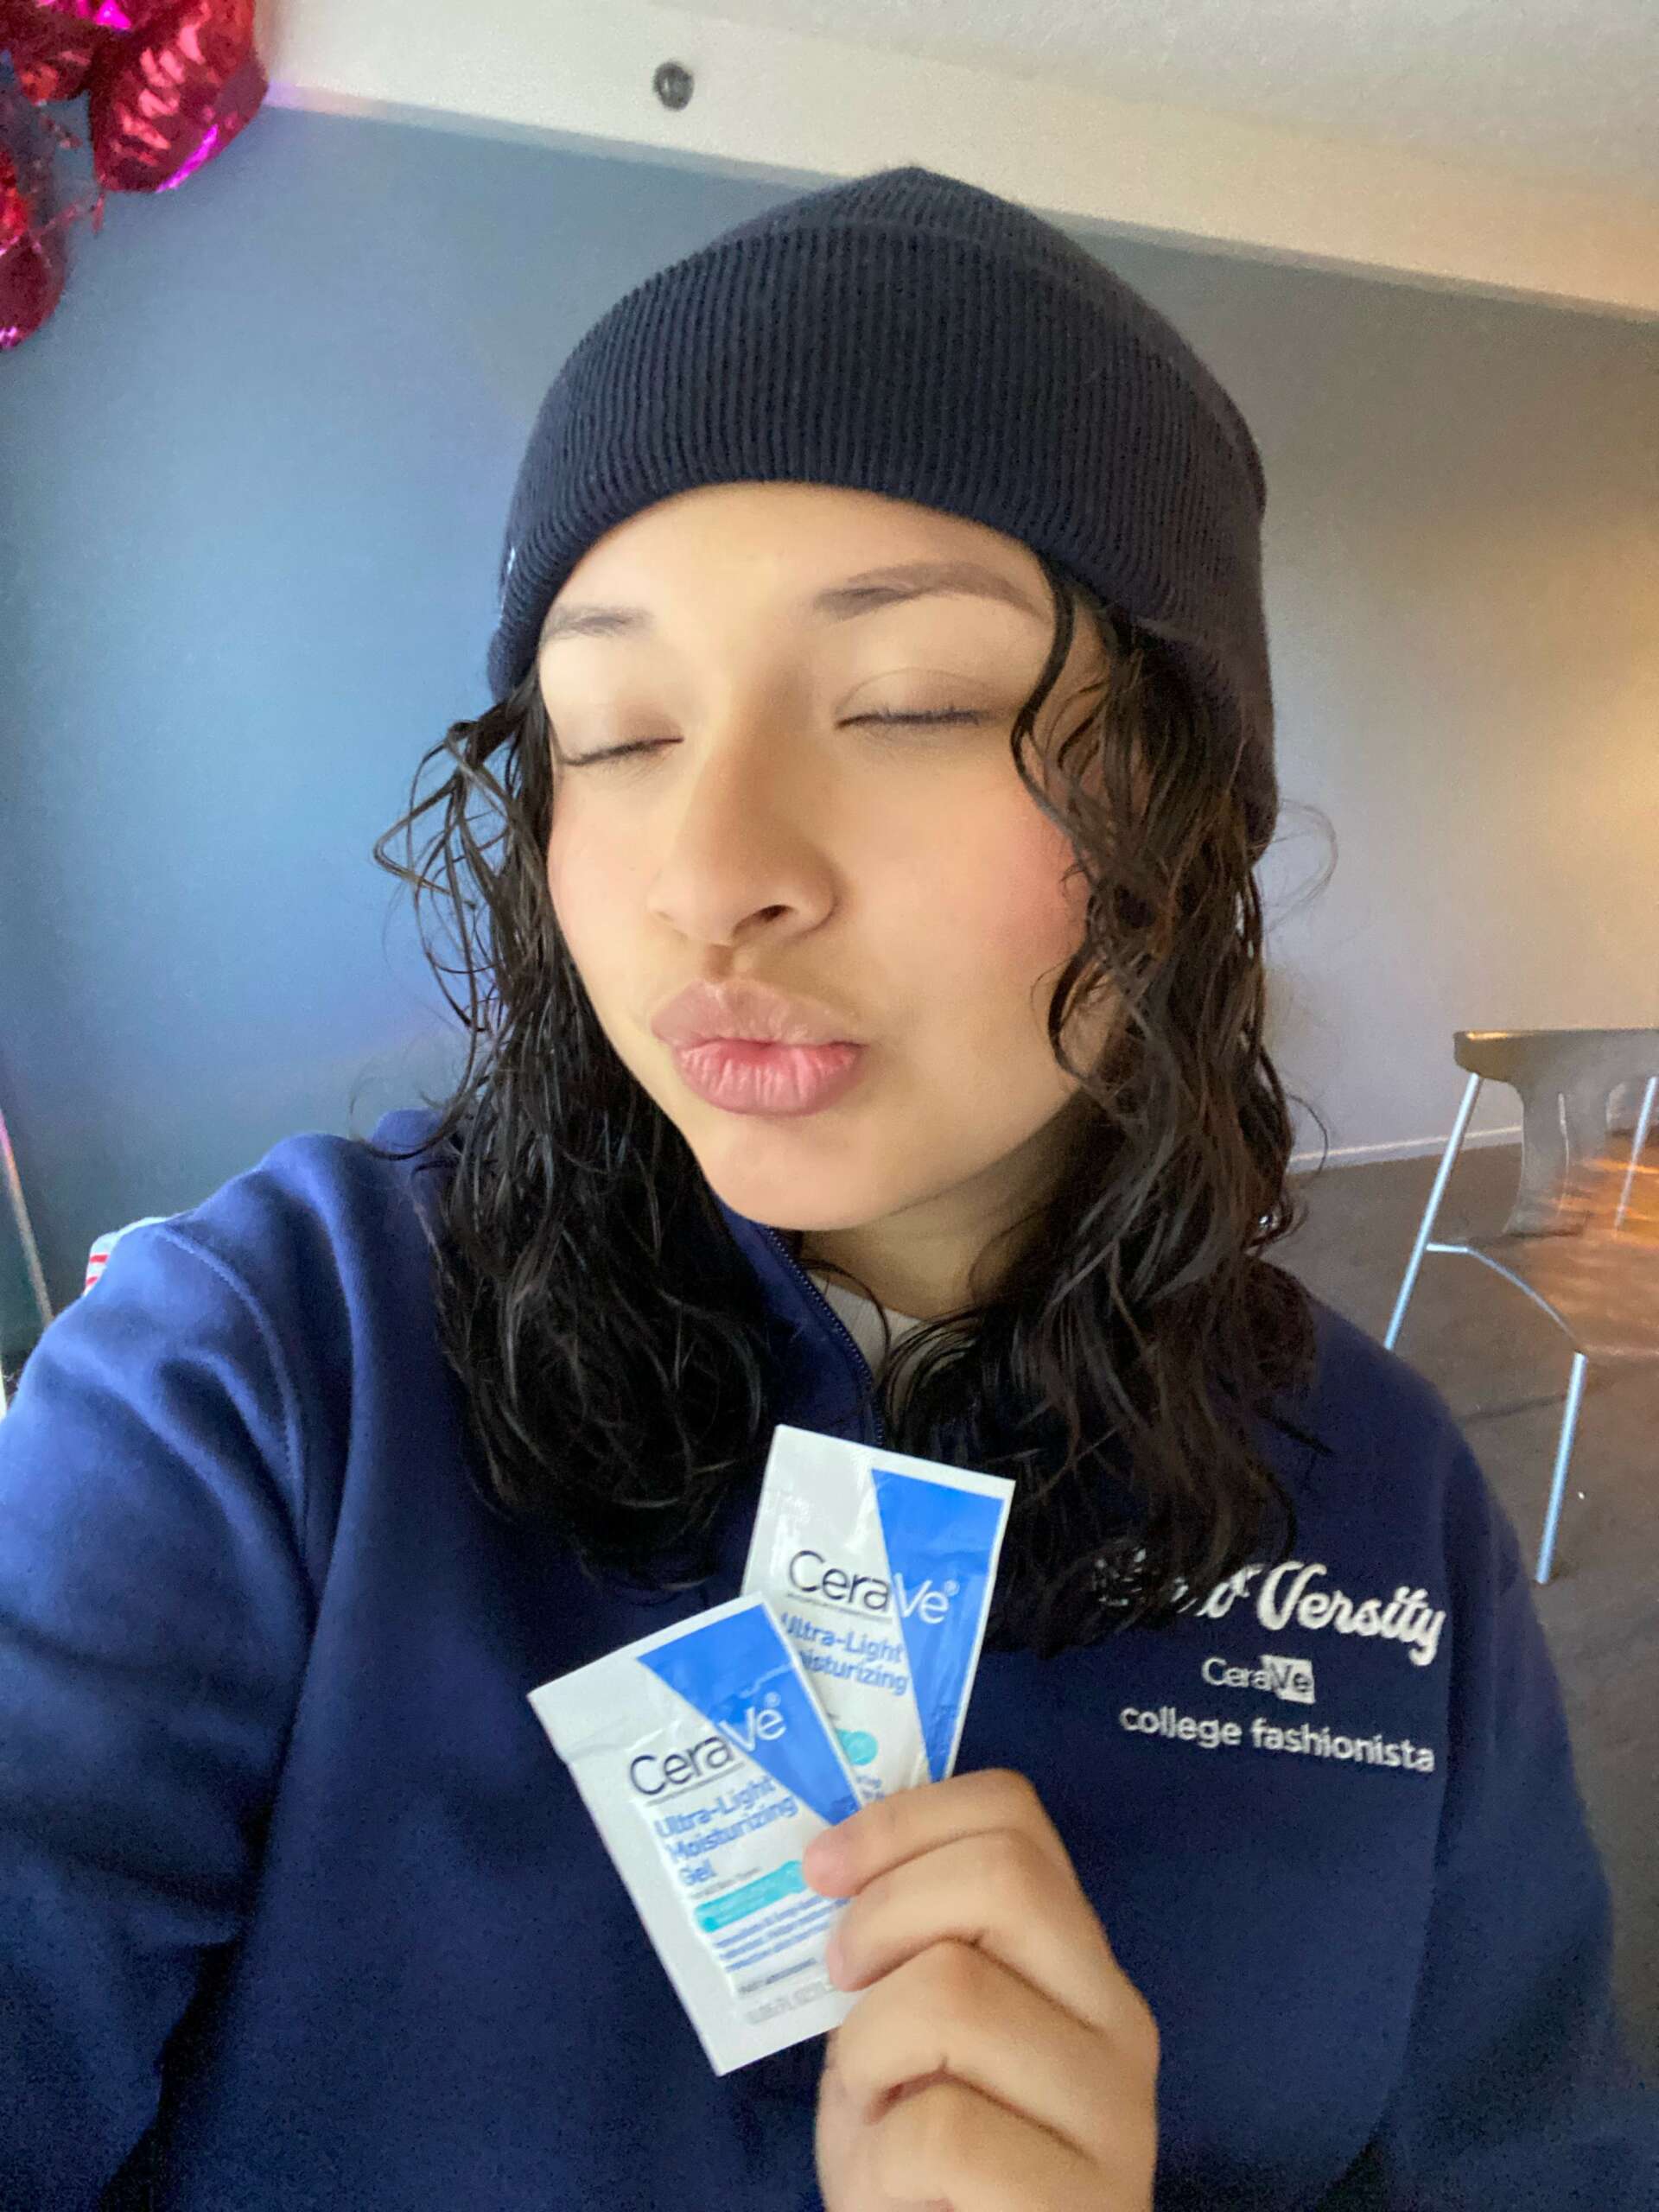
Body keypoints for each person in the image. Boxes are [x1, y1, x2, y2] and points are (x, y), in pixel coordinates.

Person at [2, 163, 1655, 2212]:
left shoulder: (1384, 1496)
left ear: (1182, 800)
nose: (715, 872)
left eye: (910, 705)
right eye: (615, 731)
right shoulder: (262, 1370)